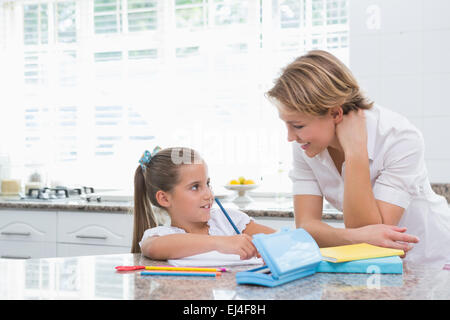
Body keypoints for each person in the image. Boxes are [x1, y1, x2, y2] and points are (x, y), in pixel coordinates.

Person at [266, 50, 450, 266]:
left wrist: (355, 152)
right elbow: (306, 227)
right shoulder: (307, 144)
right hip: (374, 265)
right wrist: (358, 237)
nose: (290, 137)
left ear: (335, 114)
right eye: (287, 124)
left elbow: (373, 244)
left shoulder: (399, 138)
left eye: (297, 125)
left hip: (431, 259)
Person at [131, 146, 276, 260]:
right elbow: (152, 248)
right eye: (195, 187)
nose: (209, 194)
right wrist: (221, 243)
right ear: (164, 198)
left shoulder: (226, 220)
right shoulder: (162, 235)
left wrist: (271, 250)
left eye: (207, 183)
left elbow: (280, 240)